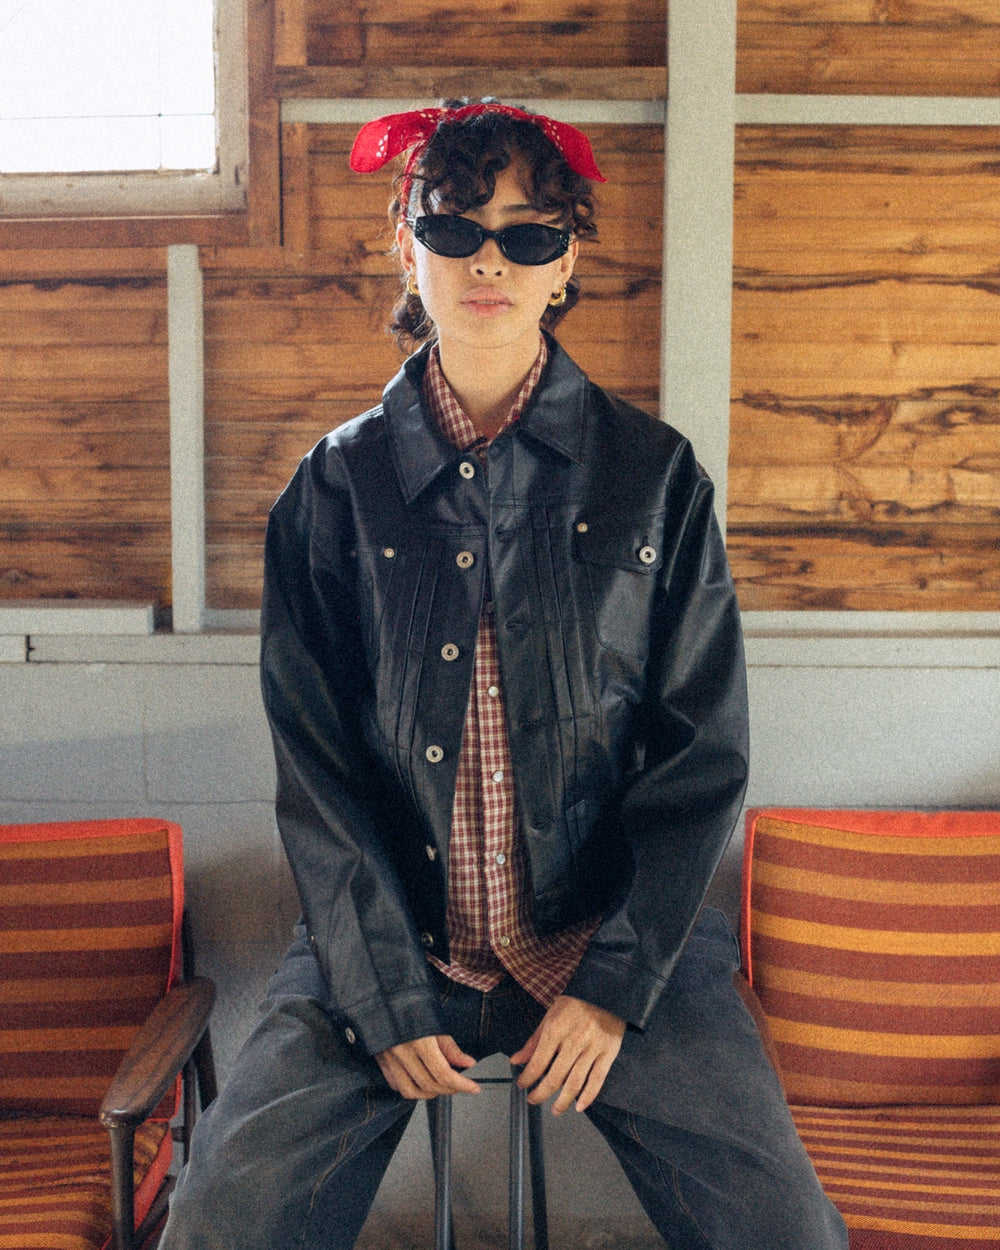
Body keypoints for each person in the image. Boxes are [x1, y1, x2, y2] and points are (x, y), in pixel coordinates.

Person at [160, 99, 847, 1249]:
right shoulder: (331, 489)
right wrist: (379, 987)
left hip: (608, 936)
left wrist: (614, 981)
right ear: (405, 241)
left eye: (527, 235)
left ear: (565, 261)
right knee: (220, 1219)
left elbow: (701, 756)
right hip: (390, 941)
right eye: (454, 226)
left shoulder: (653, 477)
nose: (489, 261)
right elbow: (318, 775)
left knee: (784, 1229)